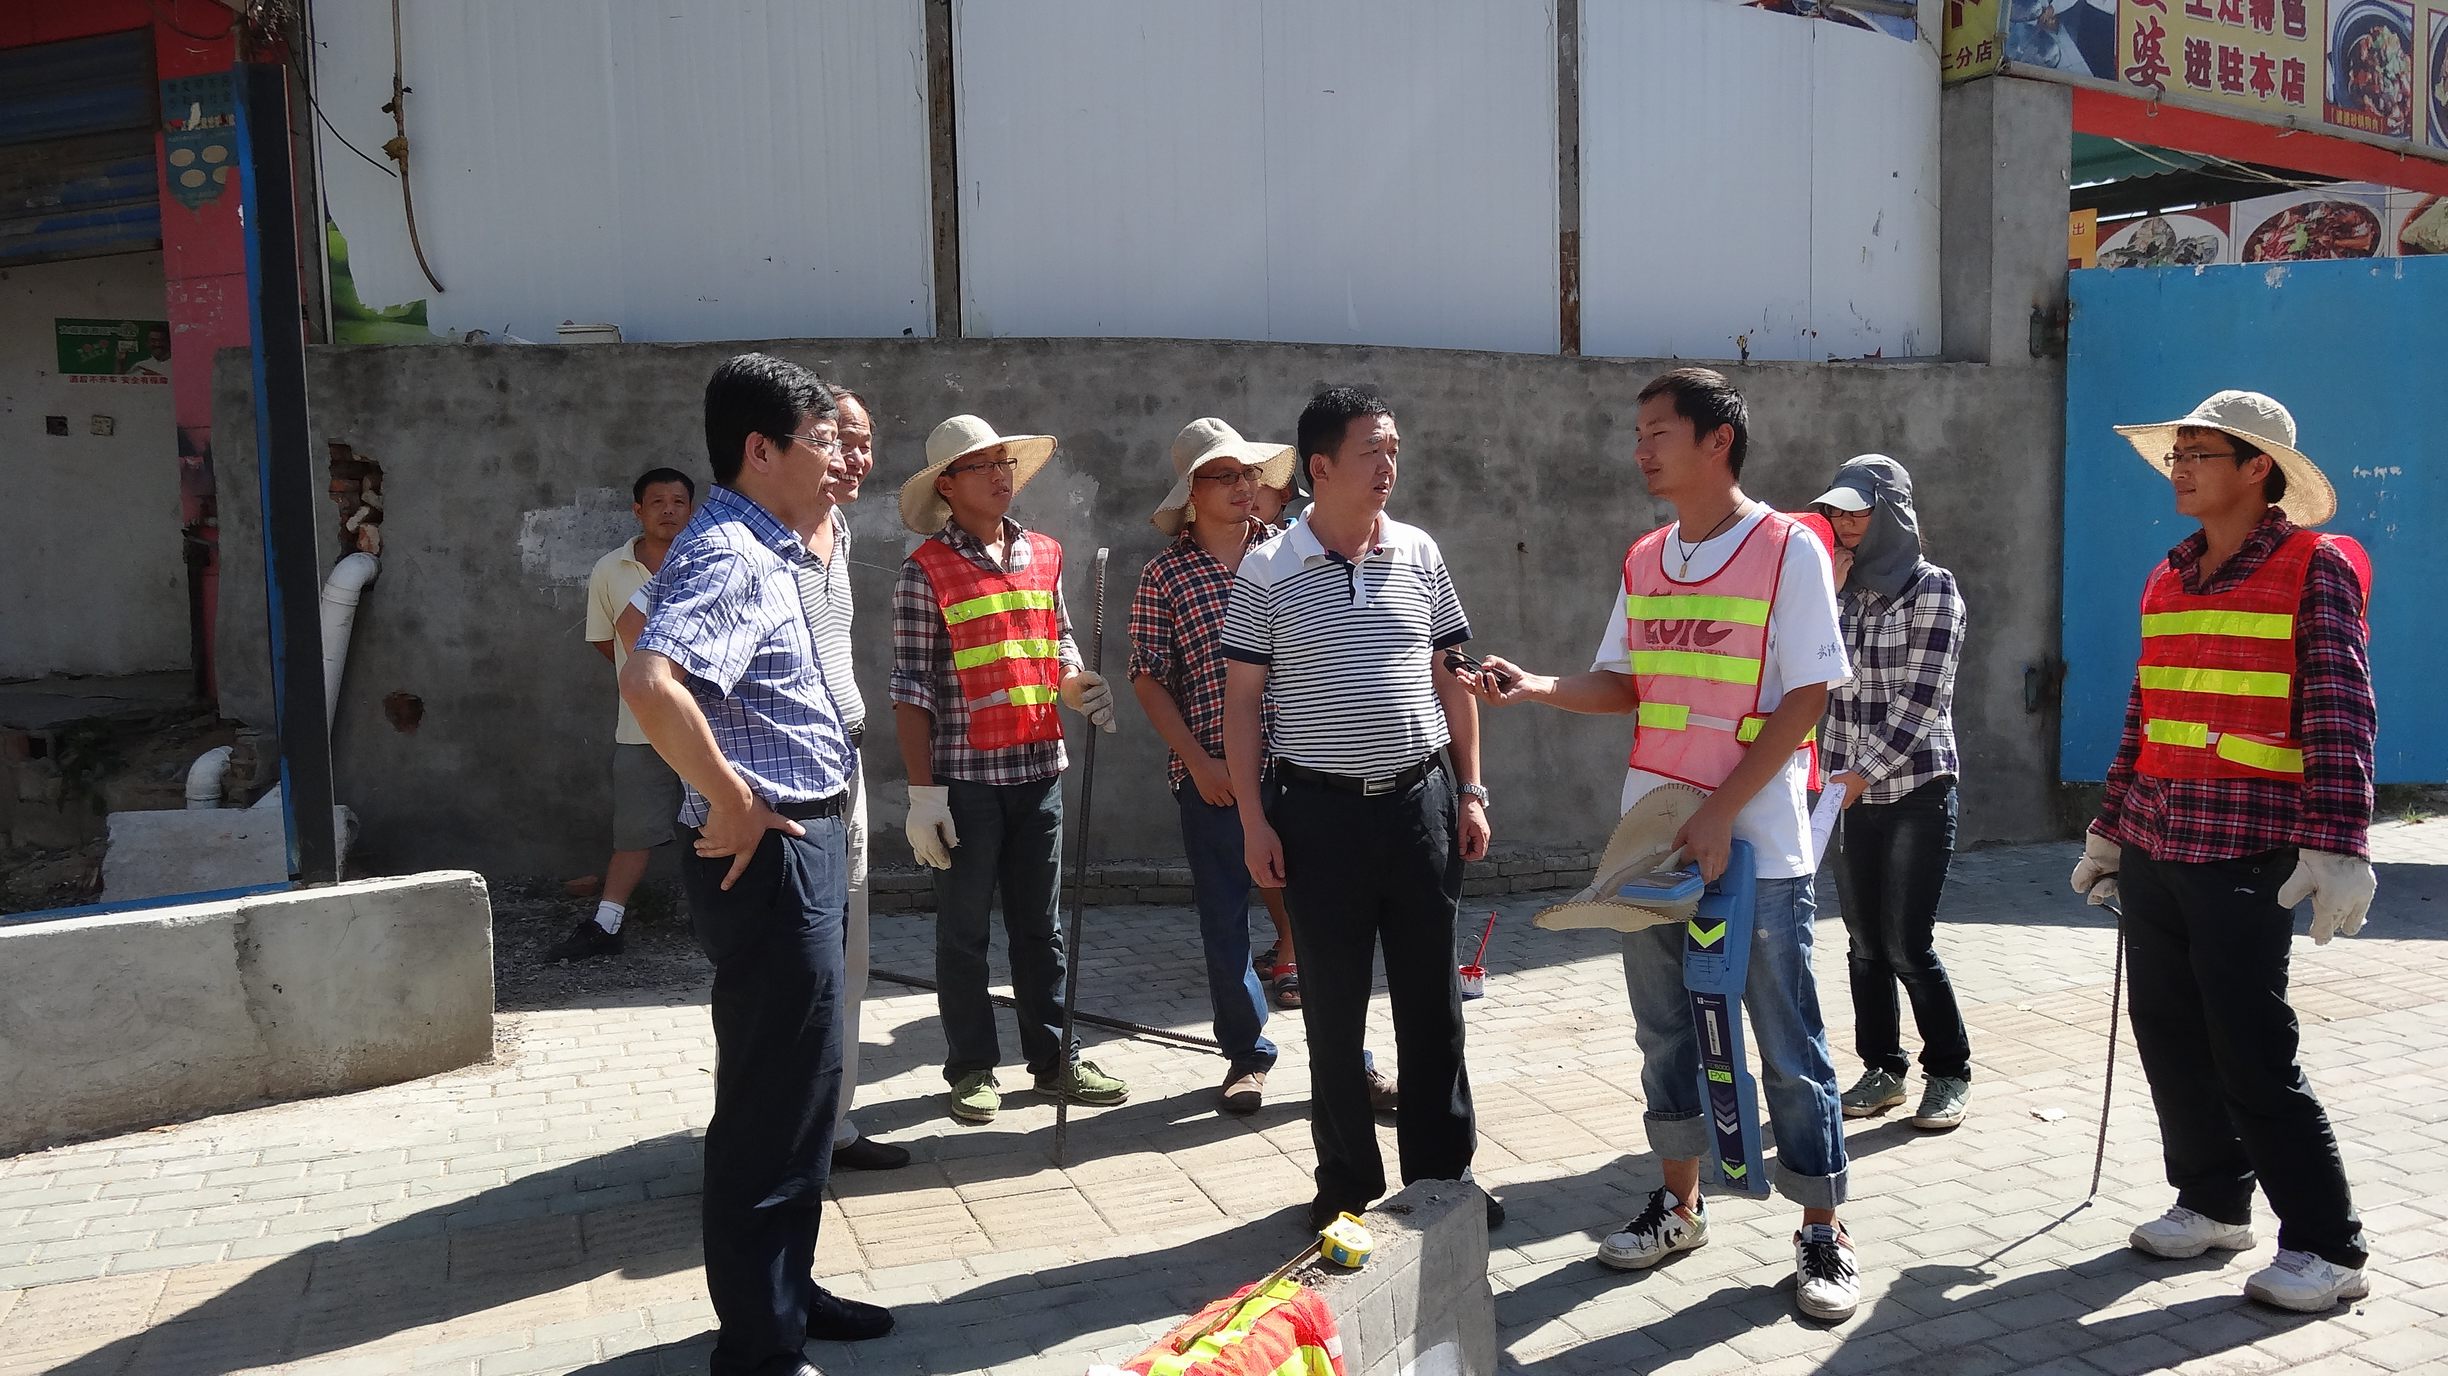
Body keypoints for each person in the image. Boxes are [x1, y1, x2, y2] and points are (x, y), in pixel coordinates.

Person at [1468, 367, 1858, 1321]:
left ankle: (1822, 1229)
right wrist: (1536, 686)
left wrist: (1721, 810)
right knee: (1665, 1031)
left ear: (1717, 440)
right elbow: (1626, 684)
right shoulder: (1647, 556)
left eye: (1657, 432)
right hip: (1653, 840)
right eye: (1637, 433)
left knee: (1787, 1040)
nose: (1640, 449)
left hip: (1755, 840)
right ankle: (1680, 1207)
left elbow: (1809, 695)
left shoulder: (1787, 548)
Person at [2072, 390, 2377, 1313]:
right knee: (2169, 1033)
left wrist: (2339, 844)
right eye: (2177, 455)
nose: (2180, 469)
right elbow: (2145, 712)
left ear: (2257, 469)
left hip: (2248, 850)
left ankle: (2328, 1246)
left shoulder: (2313, 566)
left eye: (2199, 454)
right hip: (2159, 841)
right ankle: (2212, 1202)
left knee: (2251, 1048)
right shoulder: (2168, 575)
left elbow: (2340, 708)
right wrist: (2112, 827)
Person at [620, 354, 890, 1375]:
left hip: (807, 836)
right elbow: (649, 680)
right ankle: (758, 1345)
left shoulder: (778, 543)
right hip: (768, 854)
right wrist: (731, 799)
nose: (837, 458)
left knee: (804, 1093)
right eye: (820, 441)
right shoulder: (731, 550)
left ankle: (788, 1294)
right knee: (771, 1101)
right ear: (760, 450)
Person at [1221, 384, 1498, 1233]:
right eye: (1372, 450)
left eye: (1394, 450)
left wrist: (1472, 790)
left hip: (1420, 808)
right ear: (1321, 466)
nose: (1388, 466)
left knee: (1433, 1007)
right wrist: (1253, 821)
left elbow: (1453, 678)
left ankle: (1443, 1180)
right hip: (1318, 818)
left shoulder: (1418, 551)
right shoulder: (1268, 570)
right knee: (1334, 1014)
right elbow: (1241, 706)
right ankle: (1345, 1184)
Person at [891, 413, 1129, 1125]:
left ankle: (1055, 1060)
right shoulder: (925, 570)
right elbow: (911, 688)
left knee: (1040, 927)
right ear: (947, 485)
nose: (1001, 476)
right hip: (964, 782)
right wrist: (923, 796)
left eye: (1005, 463)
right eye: (982, 466)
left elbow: (1058, 641)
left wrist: (1076, 685)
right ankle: (971, 1067)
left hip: (1038, 768)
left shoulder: (1044, 554)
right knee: (964, 932)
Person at [1129, 418, 1299, 1115]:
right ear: (1191, 493)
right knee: (1226, 920)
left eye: (1248, 473)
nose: (1242, 486)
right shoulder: (1166, 574)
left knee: (1324, 917)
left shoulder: (1292, 553)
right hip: (1216, 776)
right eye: (1223, 475)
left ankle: (1350, 1059)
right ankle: (1246, 1055)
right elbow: (1148, 675)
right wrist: (1197, 762)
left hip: (1303, 764)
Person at [1811, 455, 1974, 1132]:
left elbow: (1921, 703)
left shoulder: (1932, 589)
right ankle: (1882, 1070)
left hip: (1914, 789)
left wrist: (1858, 775)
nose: (1845, 523)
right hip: (1845, 795)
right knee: (1863, 943)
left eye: (1860, 510)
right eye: (1837, 511)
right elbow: (1808, 676)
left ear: (1893, 514)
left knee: (1906, 943)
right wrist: (1825, 595)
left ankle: (1950, 1072)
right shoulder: (1835, 590)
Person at [550, 468, 697, 963]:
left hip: (710, 723)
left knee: (716, 823)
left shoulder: (708, 560)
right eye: (658, 502)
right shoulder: (610, 569)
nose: (669, 510)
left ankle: (715, 917)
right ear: (638, 510)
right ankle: (607, 923)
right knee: (634, 831)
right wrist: (644, 680)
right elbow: (604, 641)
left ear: (691, 509)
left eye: (679, 501)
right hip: (641, 726)